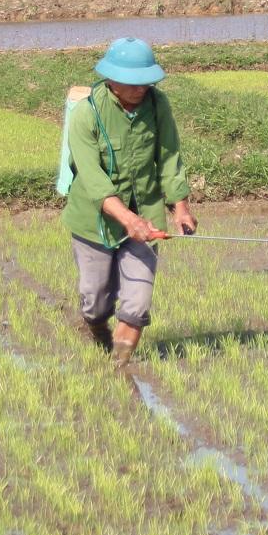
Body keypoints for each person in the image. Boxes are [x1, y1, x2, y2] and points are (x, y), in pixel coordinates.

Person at [61, 37, 197, 366]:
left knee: (136, 305)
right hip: (95, 220)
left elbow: (169, 156)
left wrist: (180, 207)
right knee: (95, 303)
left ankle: (118, 367)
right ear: (111, 80)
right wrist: (128, 220)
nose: (141, 89)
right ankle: (96, 331)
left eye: (146, 82)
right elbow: (93, 180)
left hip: (146, 214)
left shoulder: (157, 105)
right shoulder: (86, 115)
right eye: (133, 83)